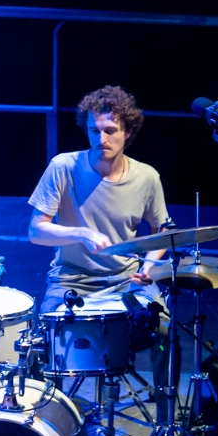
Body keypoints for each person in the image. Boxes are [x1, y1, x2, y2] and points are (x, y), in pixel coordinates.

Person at [27, 83, 168, 311]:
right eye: (95, 131)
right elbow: (35, 231)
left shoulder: (147, 177)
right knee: (56, 330)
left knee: (157, 329)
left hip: (128, 278)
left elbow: (162, 230)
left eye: (110, 131)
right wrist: (82, 233)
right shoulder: (63, 167)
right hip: (71, 278)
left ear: (128, 132)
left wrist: (148, 268)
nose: (101, 139)